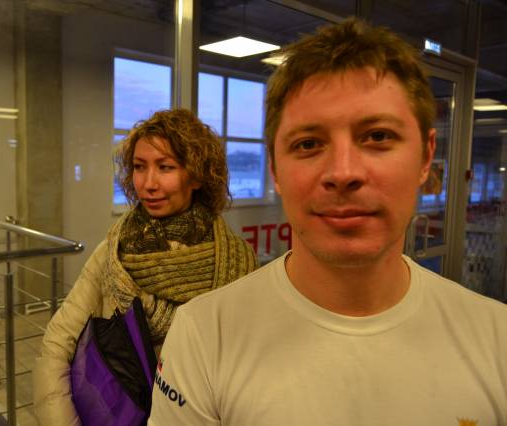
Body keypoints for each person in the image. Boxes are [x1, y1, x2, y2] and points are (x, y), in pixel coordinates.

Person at [149, 19, 507, 425]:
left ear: (426, 157)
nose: (343, 172)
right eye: (308, 144)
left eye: (377, 137)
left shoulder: (496, 339)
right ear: (275, 169)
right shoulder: (205, 333)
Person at [33, 108, 258, 424]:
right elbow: (57, 344)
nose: (148, 183)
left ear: (196, 176)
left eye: (165, 167)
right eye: (139, 167)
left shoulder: (237, 263)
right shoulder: (115, 251)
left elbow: (248, 373)